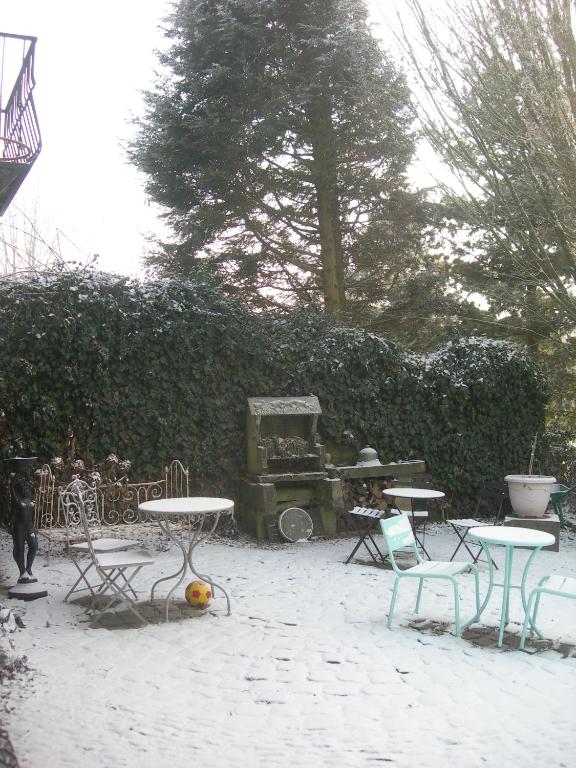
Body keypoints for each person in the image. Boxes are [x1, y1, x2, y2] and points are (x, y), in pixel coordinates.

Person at [10, 467, 38, 584]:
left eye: (27, 487)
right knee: (19, 548)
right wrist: (15, 477)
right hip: (19, 525)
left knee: (34, 545)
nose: (26, 489)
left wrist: (26, 472)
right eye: (23, 487)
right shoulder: (18, 499)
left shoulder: (30, 499)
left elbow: (33, 491)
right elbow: (12, 490)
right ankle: (22, 572)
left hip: (29, 525)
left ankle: (28, 569)